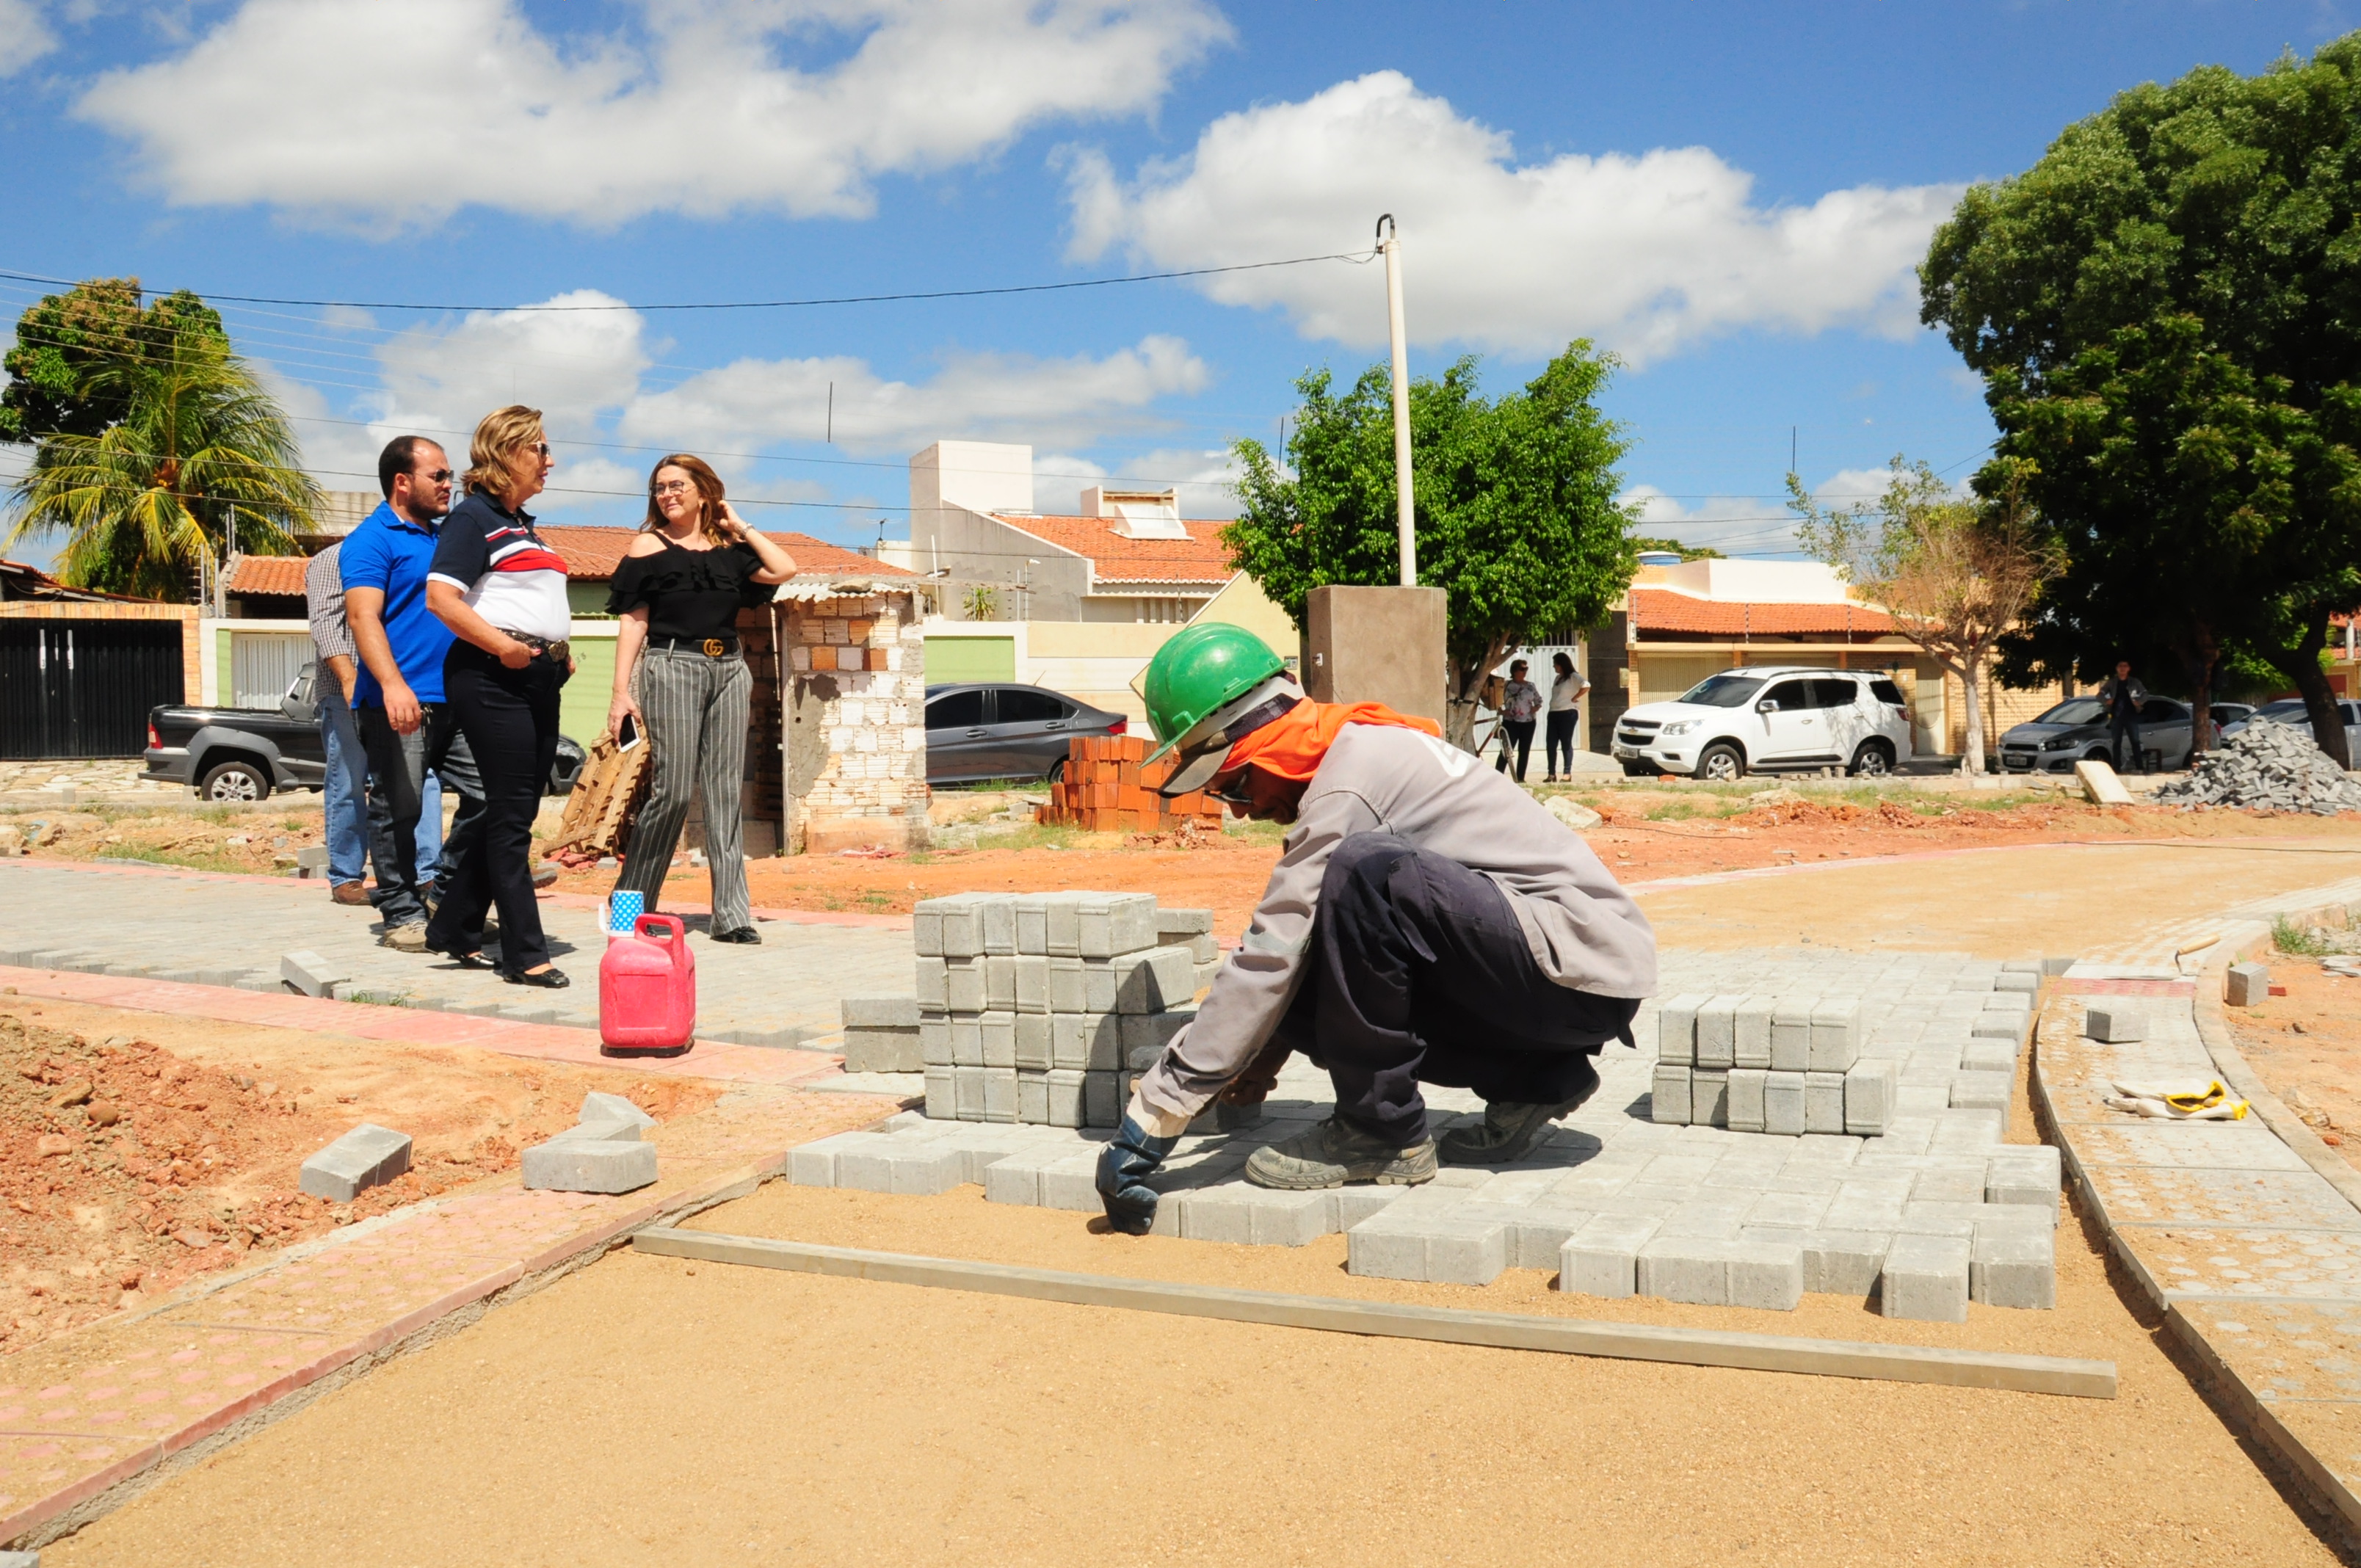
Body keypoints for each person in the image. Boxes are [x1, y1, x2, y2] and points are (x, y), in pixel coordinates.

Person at [1095, 625, 1656, 1235]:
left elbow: (1269, 951)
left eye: (1233, 784)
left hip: (1577, 969)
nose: (1239, 809)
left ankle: (1378, 1132)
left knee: (1364, 876)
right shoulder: (1353, 752)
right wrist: (1259, 1052)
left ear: (1267, 745)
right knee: (1327, 940)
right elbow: (1300, 953)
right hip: (1557, 980)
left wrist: (1152, 1117)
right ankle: (1539, 1082)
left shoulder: (1349, 782)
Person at [605, 455, 798, 944]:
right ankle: (630, 904)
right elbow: (634, 621)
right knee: (671, 790)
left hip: (730, 670)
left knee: (724, 794)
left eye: (677, 486)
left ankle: (732, 915)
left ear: (705, 492)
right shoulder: (648, 545)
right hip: (671, 666)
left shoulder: (730, 549)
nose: (667, 494)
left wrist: (739, 523)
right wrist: (620, 692)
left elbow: (785, 568)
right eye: (660, 488)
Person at [423, 406, 574, 987]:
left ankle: (454, 927)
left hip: (538, 678)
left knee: (515, 812)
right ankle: (524, 955)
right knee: (511, 821)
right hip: (491, 678)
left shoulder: (520, 525)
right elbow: (442, 599)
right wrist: (506, 648)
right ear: (507, 452)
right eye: (539, 448)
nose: (549, 460)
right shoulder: (472, 518)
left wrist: (555, 649)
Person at [344, 436, 487, 951]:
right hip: (399, 701)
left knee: (491, 796)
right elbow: (362, 617)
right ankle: (400, 911)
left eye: (449, 475)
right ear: (402, 482)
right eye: (439, 476)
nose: (450, 485)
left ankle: (443, 893)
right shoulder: (370, 539)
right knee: (397, 810)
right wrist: (392, 684)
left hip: (458, 698)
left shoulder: (447, 538)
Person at [1493, 658, 1542, 782]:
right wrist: (1502, 711)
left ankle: (1520, 778)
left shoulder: (1530, 686)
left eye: (1526, 669)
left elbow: (1539, 700)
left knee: (1524, 751)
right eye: (1522, 669)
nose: (1524, 671)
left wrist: (1535, 708)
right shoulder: (1507, 685)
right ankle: (1497, 777)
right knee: (1506, 750)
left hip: (1528, 722)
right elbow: (1496, 700)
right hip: (1511, 722)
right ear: (1514, 671)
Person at [1544, 651, 1589, 782]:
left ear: (1562, 665)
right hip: (1554, 713)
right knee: (1551, 744)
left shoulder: (1573, 676)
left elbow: (1586, 685)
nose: (1554, 667)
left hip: (1567, 713)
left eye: (1555, 664)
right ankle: (1551, 774)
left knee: (1566, 743)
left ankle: (1567, 773)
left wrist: (1575, 698)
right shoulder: (1558, 678)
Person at [2100, 658, 2150, 774]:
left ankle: (2139, 767)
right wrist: (2107, 700)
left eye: (2125, 666)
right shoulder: (2112, 682)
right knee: (2116, 742)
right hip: (2116, 716)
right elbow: (2100, 694)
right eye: (2120, 666)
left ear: (2129, 669)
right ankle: (2116, 768)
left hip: (2131, 716)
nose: (2122, 668)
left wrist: (2139, 701)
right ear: (2117, 668)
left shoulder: (2134, 682)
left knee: (2135, 742)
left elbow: (2145, 693)